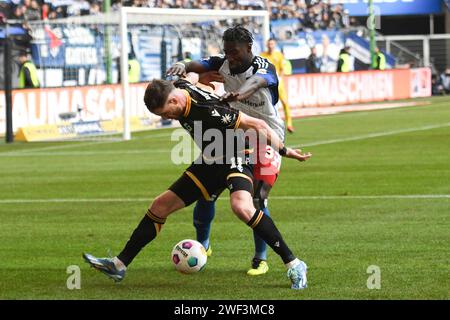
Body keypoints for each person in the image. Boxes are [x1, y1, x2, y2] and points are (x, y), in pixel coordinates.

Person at [83, 77, 312, 290]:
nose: (167, 118)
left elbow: (258, 125)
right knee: (159, 206)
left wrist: (284, 150)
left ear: (173, 100)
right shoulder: (178, 87)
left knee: (241, 206)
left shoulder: (210, 112)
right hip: (210, 159)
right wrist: (200, 72)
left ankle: (294, 264)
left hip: (238, 155)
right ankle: (119, 265)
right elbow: (191, 75)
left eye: (166, 113)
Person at [166, 26, 288, 276]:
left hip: (265, 136)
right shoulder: (221, 63)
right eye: (227, 52)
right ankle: (204, 245)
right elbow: (196, 64)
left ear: (249, 49)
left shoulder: (264, 68)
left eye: (235, 53)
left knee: (256, 197)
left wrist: (237, 94)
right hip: (233, 131)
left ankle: (260, 258)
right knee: (206, 190)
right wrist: (181, 64)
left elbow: (254, 84)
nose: (230, 57)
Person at [259, 38, 295, 133]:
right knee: (268, 104)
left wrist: (280, 77)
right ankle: (269, 124)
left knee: (284, 101)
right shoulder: (262, 55)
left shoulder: (279, 55)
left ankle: (289, 124)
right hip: (267, 84)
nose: (270, 46)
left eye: (272, 44)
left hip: (278, 83)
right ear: (267, 45)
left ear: (274, 45)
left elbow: (282, 68)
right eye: (269, 44)